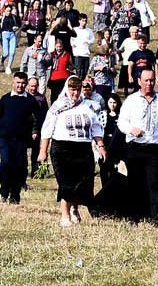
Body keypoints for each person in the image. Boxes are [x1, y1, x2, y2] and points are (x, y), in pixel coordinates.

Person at [39, 76, 105, 227]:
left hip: (83, 148)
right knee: (66, 182)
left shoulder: (89, 105)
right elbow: (47, 128)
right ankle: (65, 215)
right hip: (62, 148)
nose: (75, 93)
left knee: (82, 183)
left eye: (77, 89)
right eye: (72, 89)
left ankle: (75, 208)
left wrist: (101, 146)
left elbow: (96, 127)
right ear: (67, 89)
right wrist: (43, 151)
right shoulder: (58, 105)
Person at [117, 69, 158, 226]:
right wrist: (131, 130)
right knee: (134, 182)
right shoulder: (131, 100)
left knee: (154, 182)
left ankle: (157, 218)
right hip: (135, 147)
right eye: (146, 80)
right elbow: (121, 122)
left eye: (152, 80)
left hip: (154, 148)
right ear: (139, 81)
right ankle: (134, 217)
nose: (149, 83)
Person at [0, 71, 37, 204]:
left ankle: (15, 195)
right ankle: (4, 191)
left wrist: (35, 134)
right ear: (13, 82)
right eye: (18, 83)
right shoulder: (5, 99)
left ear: (26, 84)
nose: (20, 86)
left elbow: (38, 119)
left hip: (22, 139)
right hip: (5, 138)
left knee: (19, 166)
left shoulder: (30, 100)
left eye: (23, 83)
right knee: (6, 164)